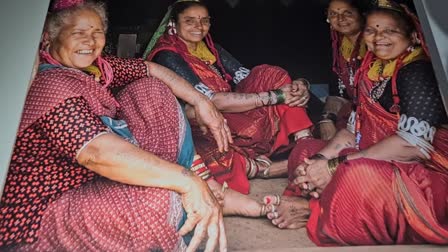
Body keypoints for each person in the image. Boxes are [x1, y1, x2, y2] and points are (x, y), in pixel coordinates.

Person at [0, 1, 229, 251]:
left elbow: (150, 69)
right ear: (49, 38)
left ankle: (182, 191)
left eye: (97, 32)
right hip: (43, 210)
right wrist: (188, 180)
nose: (90, 41)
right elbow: (97, 153)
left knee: (151, 90)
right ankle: (185, 200)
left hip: (88, 180)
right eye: (78, 33)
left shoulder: (97, 69)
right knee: (158, 202)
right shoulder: (51, 83)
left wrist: (201, 102)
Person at [264, 0, 448, 245]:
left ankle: (312, 208)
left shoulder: (417, 72)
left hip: (426, 173)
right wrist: (319, 162)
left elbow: (411, 146)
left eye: (390, 31)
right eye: (372, 30)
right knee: (306, 151)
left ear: (413, 35)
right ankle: (323, 199)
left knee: (355, 174)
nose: (379, 37)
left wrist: (332, 166)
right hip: (380, 156)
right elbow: (352, 130)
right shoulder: (371, 69)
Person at [144, 0, 313, 199]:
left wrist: (299, 85)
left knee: (270, 73)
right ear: (174, 23)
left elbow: (250, 79)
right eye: (190, 21)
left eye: (204, 21)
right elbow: (210, 100)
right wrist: (275, 96)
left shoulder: (211, 49)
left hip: (235, 112)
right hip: (208, 123)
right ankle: (270, 168)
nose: (199, 27)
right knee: (204, 156)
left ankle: (305, 146)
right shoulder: (167, 55)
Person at [318, 0, 368, 140]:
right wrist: (326, 119)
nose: (340, 19)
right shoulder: (337, 49)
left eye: (347, 12)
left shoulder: (379, 46)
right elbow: (338, 93)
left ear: (362, 14)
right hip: (352, 115)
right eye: (334, 14)